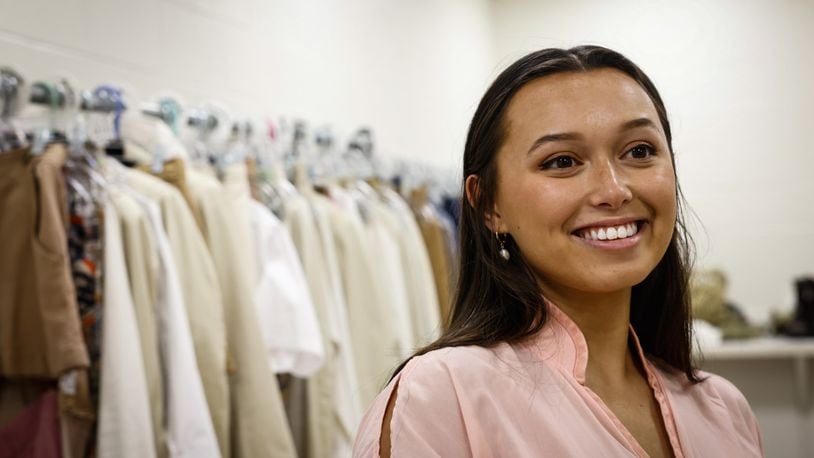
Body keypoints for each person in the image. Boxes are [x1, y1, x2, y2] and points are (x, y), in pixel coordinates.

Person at [352, 46, 764, 457]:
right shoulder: (442, 398)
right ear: (489, 204)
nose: (614, 190)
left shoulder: (725, 410)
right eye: (562, 161)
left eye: (639, 151)